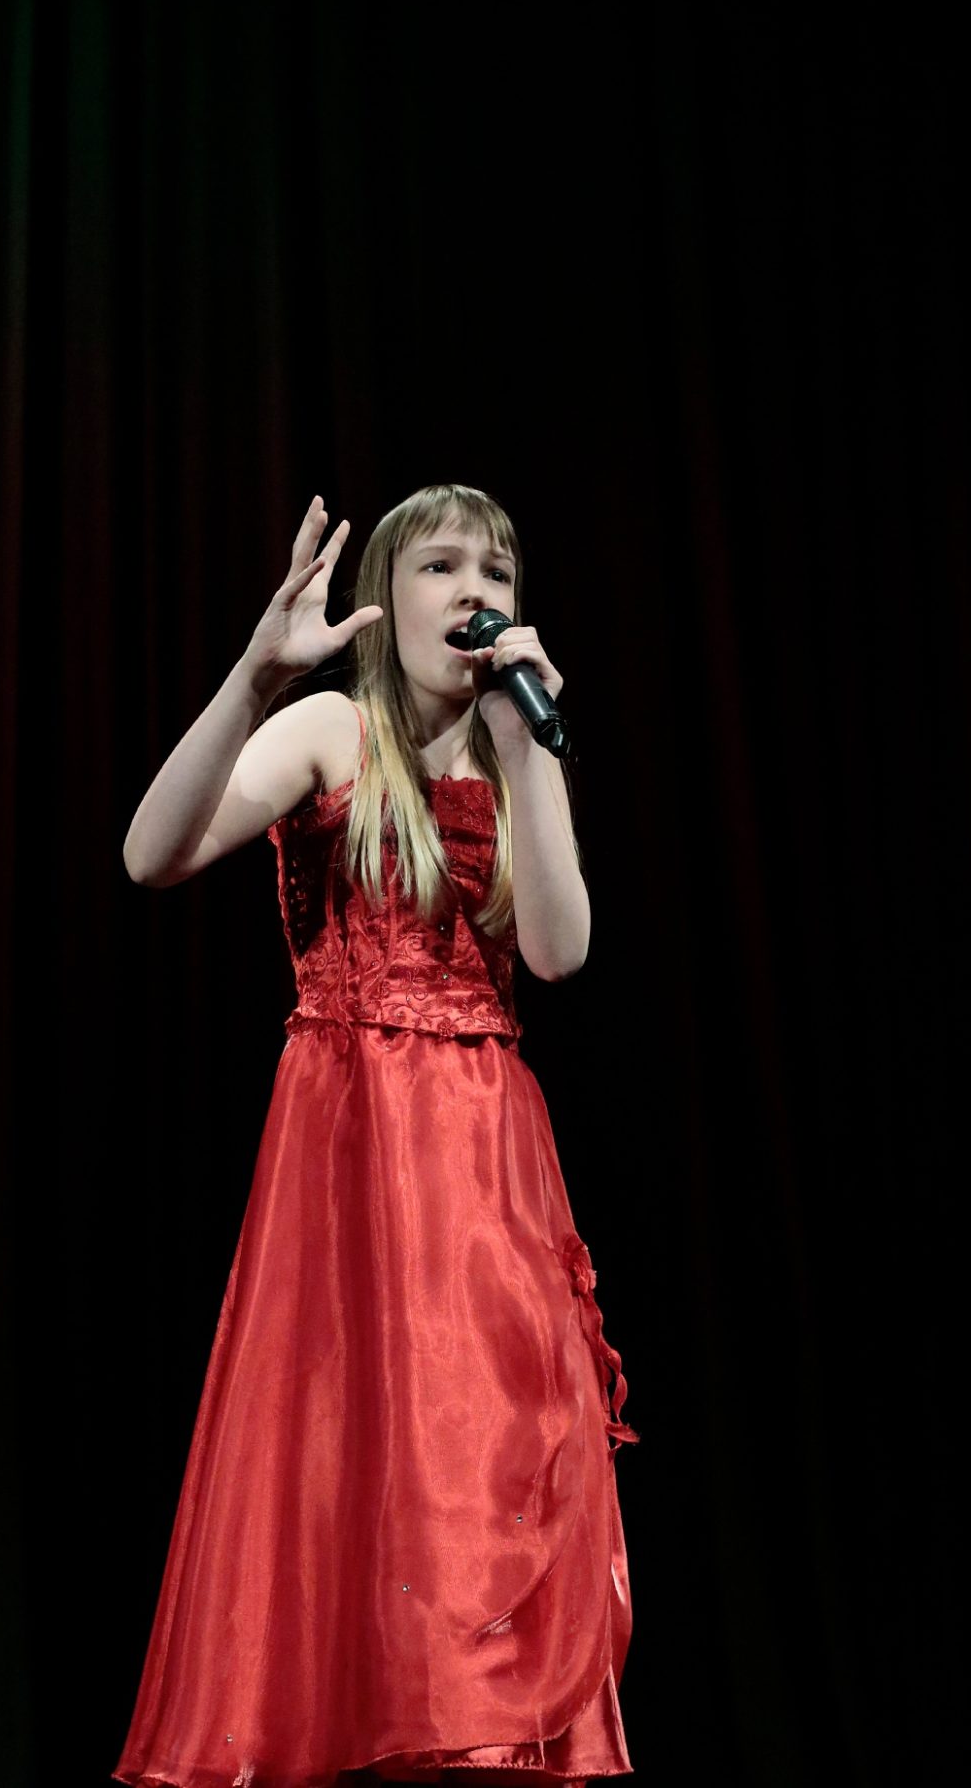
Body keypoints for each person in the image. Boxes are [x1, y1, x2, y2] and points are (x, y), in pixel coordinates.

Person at [113, 485, 639, 1788]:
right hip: (352, 1154)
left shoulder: (515, 749)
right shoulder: (332, 728)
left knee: (486, 1469)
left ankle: (476, 1741)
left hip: (487, 1170)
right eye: (443, 565)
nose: (477, 591)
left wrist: (529, 749)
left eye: (497, 571)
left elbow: (559, 952)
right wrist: (255, 674)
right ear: (385, 598)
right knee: (349, 1470)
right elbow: (151, 855)